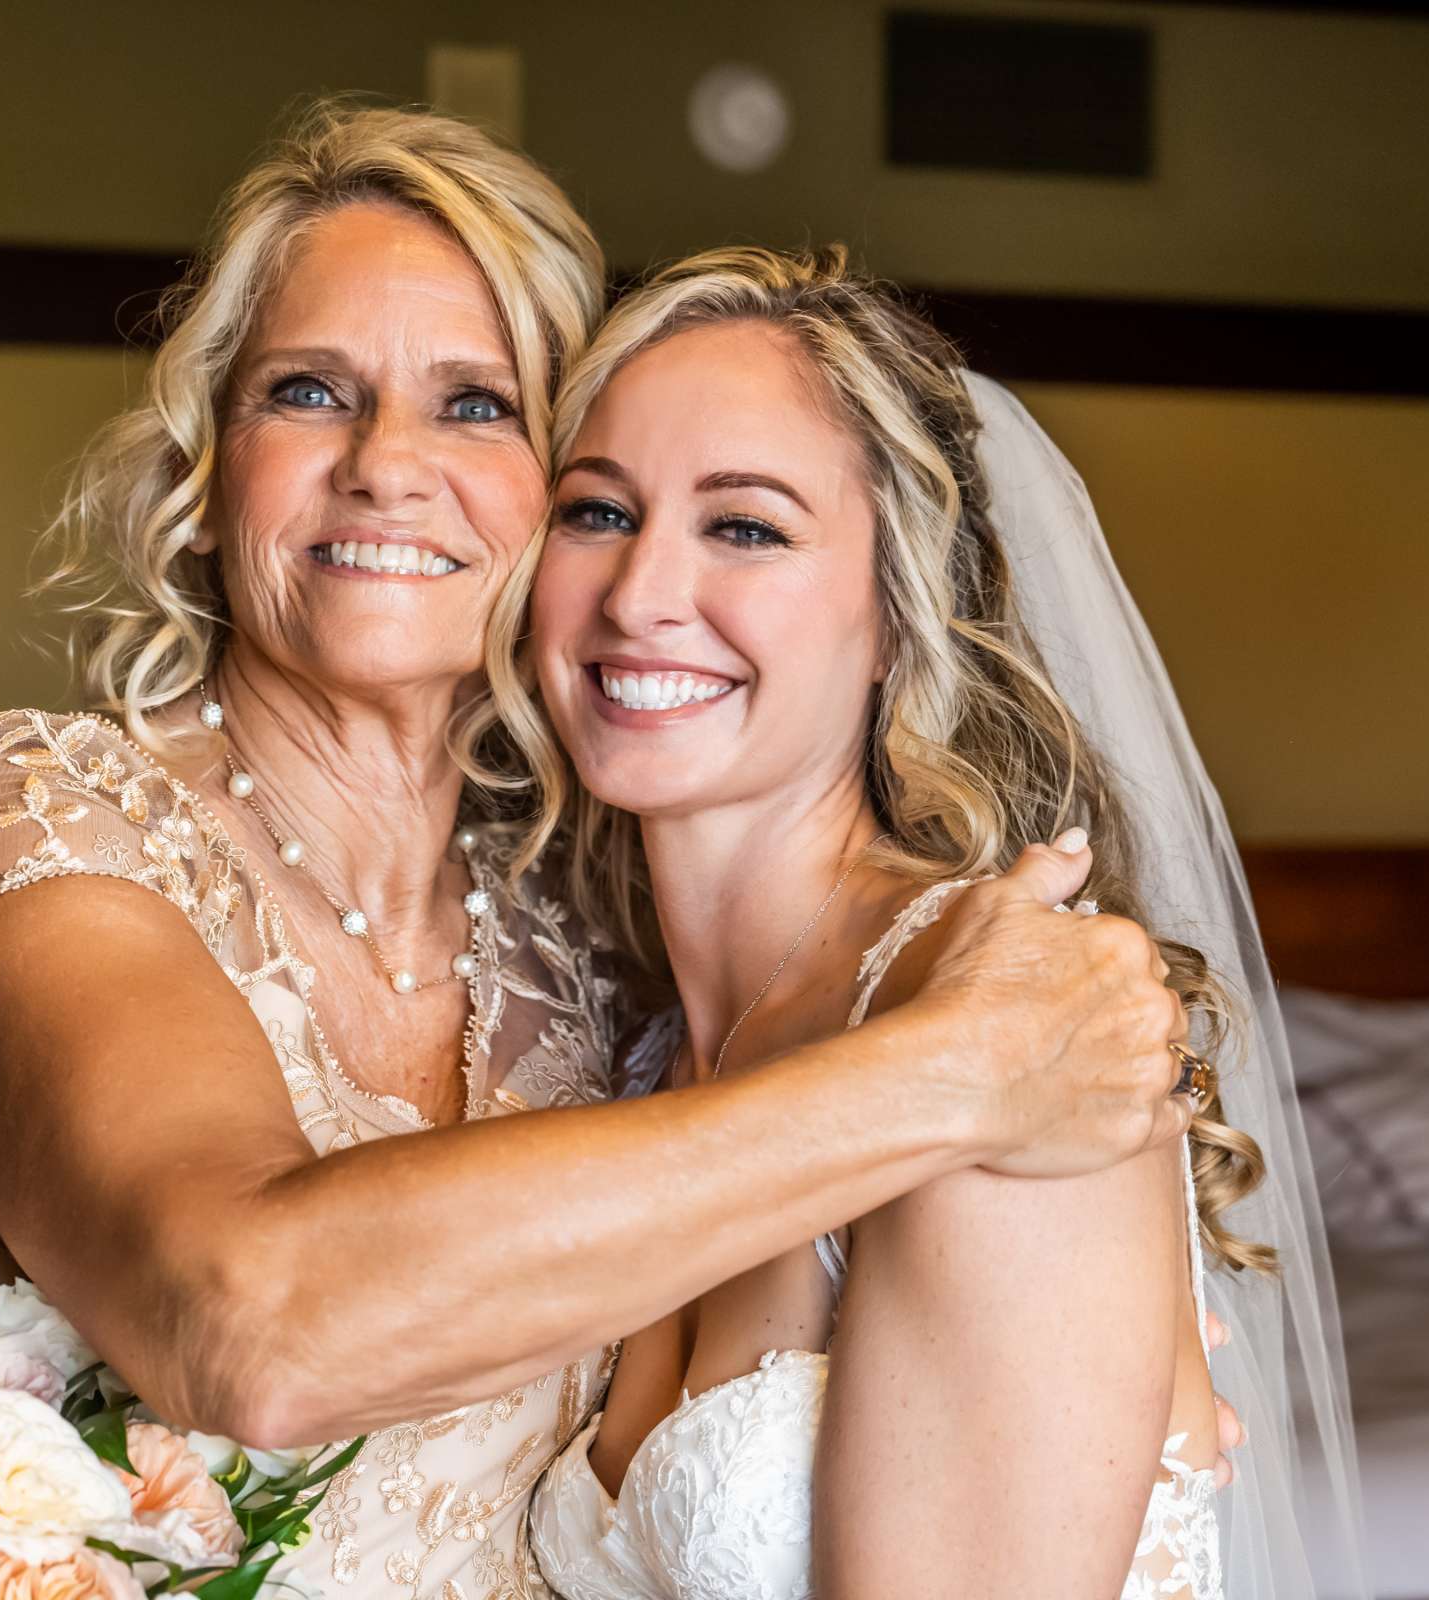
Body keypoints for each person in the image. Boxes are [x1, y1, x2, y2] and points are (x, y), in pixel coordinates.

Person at [0, 104, 1208, 1597]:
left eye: (479, 407)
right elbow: (248, 1324)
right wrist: (951, 1076)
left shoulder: (589, 946)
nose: (386, 466)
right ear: (210, 460)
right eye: (307, 391)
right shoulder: (31, 813)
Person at [504, 249, 1364, 1598]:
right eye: (596, 512)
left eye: (745, 527)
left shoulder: (1013, 1034)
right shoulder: (637, 1052)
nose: (638, 596)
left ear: (899, 613)